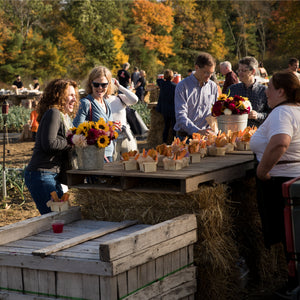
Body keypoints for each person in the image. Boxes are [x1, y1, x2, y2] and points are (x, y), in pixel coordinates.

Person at [249, 70, 300, 297]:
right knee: (295, 236)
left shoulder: (282, 112)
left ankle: (294, 285)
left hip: (280, 181)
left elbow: (280, 142)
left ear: (281, 91)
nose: (266, 91)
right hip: (293, 178)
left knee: (287, 235)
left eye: (269, 87)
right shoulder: (296, 110)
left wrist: (262, 171)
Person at [24, 79, 79, 215]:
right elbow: (49, 144)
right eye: (70, 95)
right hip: (42, 174)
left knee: (61, 215)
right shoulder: (53, 113)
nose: (74, 99)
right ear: (59, 95)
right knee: (55, 217)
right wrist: (73, 142)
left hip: (51, 175)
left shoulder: (65, 117)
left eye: (75, 95)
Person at [73, 66, 121, 162]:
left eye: (104, 85)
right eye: (96, 84)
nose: (100, 88)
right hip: (93, 155)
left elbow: (107, 128)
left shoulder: (106, 102)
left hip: (108, 153)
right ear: (90, 84)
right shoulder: (86, 103)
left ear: (108, 85)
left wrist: (112, 127)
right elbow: (76, 130)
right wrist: (101, 129)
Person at [174, 52, 218, 138]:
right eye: (206, 72)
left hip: (206, 136)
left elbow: (215, 112)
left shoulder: (213, 86)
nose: (209, 76)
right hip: (186, 137)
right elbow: (180, 116)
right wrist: (197, 131)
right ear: (196, 67)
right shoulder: (183, 86)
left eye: (211, 73)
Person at [226, 56, 269, 127]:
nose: (239, 73)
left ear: (253, 71)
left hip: (257, 133)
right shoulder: (232, 89)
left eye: (243, 71)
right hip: (235, 132)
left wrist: (257, 115)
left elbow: (271, 114)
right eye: (239, 70)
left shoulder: (264, 91)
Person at [109, 78, 138, 161]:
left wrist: (120, 87)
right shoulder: (99, 101)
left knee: (132, 162)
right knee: (114, 167)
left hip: (126, 137)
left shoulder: (119, 98)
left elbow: (135, 99)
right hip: (112, 140)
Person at [156, 69, 177, 143]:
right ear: (172, 77)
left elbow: (158, 80)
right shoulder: (175, 86)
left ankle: (164, 142)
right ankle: (174, 142)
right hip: (173, 109)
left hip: (164, 109)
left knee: (166, 126)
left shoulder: (162, 84)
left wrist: (163, 77)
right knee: (174, 126)